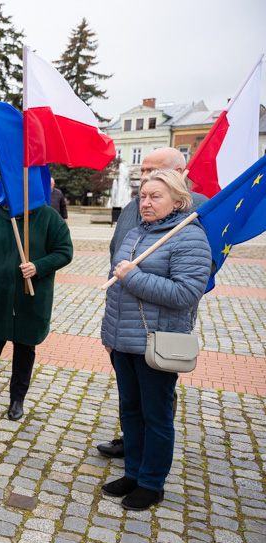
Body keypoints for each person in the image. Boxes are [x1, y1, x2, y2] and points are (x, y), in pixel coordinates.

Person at [100, 170, 210, 511]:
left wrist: (134, 277)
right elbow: (115, 288)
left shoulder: (189, 238)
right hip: (123, 341)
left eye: (155, 196)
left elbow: (186, 293)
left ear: (177, 201)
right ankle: (132, 472)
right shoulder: (135, 232)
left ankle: (151, 482)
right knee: (130, 411)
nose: (146, 203)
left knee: (156, 416)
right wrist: (109, 334)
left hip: (156, 344)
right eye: (142, 196)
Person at [0, 201, 72, 422]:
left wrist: (39, 266)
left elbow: (64, 251)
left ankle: (17, 400)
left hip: (31, 300)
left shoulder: (49, 217)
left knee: (25, 351)